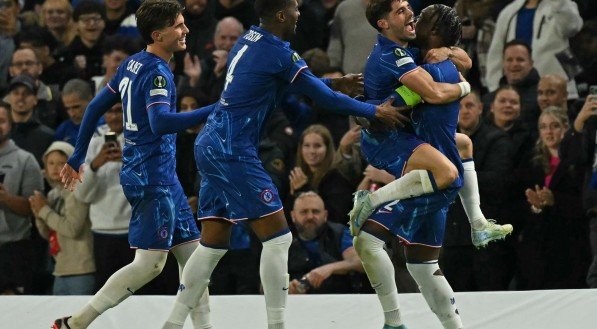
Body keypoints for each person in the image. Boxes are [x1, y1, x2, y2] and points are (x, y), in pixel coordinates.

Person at [161, 0, 405, 327]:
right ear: (280, 15)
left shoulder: (249, 39)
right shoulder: (278, 52)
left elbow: (283, 85)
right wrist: (374, 111)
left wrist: (333, 83)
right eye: (294, 8)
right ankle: (277, 324)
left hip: (212, 143)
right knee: (278, 239)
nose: (299, 14)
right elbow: (323, 99)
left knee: (212, 245)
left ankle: (173, 324)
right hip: (233, 149)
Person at [54, 1, 217, 328]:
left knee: (195, 262)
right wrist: (216, 108)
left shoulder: (132, 64)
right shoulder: (158, 73)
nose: (186, 30)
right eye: (179, 26)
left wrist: (77, 154)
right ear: (158, 34)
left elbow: (95, 106)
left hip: (159, 175)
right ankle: (76, 323)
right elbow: (160, 123)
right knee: (150, 265)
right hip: (151, 176)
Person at [351, 4, 505, 329]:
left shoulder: (431, 70)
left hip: (432, 177)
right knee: (423, 264)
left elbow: (405, 100)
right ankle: (476, 222)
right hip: (429, 166)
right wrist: (462, 80)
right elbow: (463, 63)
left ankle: (393, 322)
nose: (412, 17)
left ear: (432, 33)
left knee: (369, 241)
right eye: (404, 11)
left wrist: (367, 111)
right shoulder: (430, 58)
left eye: (418, 16)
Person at [441, 91, 515, 291]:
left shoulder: (497, 140)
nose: (464, 111)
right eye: (458, 107)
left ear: (481, 108)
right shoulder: (444, 141)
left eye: (469, 105)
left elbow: (498, 182)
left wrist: (450, 175)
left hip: (486, 244)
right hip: (451, 239)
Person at [517, 107, 590, 289]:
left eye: (554, 126)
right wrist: (536, 206)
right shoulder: (531, 162)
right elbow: (518, 202)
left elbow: (584, 201)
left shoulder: (579, 160)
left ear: (566, 128)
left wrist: (555, 200)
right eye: (543, 127)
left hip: (571, 243)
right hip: (539, 245)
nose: (549, 132)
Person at [30, 141, 95, 295]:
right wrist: (38, 213)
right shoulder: (53, 194)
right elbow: (49, 234)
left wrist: (44, 210)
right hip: (59, 270)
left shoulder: (77, 190)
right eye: (50, 163)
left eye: (61, 163)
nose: (55, 167)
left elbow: (72, 229)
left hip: (81, 270)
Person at [486, 0, 583, 99]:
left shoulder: (563, 5)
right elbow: (496, 55)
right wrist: (495, 89)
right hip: (517, 94)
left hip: (557, 90)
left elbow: (572, 27)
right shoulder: (509, 12)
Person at [0, 101, 44, 295]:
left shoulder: (26, 160)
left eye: (1, 121)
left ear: (10, 125)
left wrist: (5, 197)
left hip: (14, 249)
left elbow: (33, 209)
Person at [288, 191, 365, 294]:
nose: (310, 217)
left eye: (315, 212)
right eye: (304, 212)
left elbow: (361, 262)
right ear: (293, 215)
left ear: (325, 215)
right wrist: (285, 288)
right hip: (298, 305)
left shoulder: (339, 233)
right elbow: (264, 286)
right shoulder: (283, 241)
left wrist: (330, 268)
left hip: (341, 301)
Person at [289, 124, 355, 224]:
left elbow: (335, 218)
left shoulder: (337, 178)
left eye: (317, 146)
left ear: (327, 149)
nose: (312, 151)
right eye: (307, 145)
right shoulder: (298, 176)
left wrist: (303, 191)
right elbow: (288, 216)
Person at [55, 79, 93, 145]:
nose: (72, 114)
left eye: (76, 107)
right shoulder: (62, 130)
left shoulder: (106, 123)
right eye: (67, 108)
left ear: (90, 100)